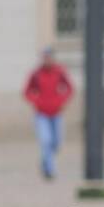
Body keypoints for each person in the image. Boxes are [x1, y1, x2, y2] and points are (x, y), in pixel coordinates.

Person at [23, 46, 74, 179]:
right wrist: (36, 101)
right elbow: (27, 91)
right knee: (46, 140)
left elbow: (69, 88)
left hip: (56, 113)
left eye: (49, 57)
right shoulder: (36, 74)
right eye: (45, 58)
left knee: (56, 142)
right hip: (42, 114)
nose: (47, 60)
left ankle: (45, 161)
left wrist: (62, 101)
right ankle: (50, 170)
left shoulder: (59, 72)